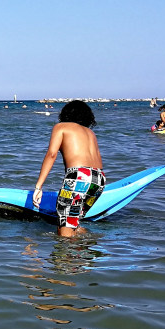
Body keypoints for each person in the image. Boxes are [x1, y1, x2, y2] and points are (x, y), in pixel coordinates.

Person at [32, 100, 105, 238]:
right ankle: (85, 252)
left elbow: (52, 154)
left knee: (64, 230)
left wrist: (38, 187)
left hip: (79, 176)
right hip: (99, 178)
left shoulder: (61, 127)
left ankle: (66, 258)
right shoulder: (90, 133)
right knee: (74, 222)